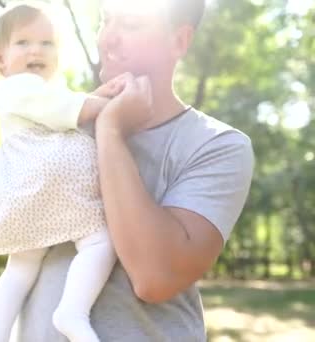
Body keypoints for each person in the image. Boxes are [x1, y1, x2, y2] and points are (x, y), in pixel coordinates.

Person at [17, 0, 255, 341]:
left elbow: (154, 277)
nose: (108, 39)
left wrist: (110, 132)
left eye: (130, 24)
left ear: (179, 41)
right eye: (105, 20)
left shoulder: (217, 146)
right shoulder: (60, 126)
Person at [0, 2, 122, 341]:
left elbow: (60, 107)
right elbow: (70, 110)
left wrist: (91, 98)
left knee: (20, 269)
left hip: (35, 197)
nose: (36, 49)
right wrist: (111, 106)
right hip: (46, 189)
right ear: (0, 60)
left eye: (47, 43)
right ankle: (73, 312)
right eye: (23, 43)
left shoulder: (39, 93)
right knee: (99, 242)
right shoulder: (18, 86)